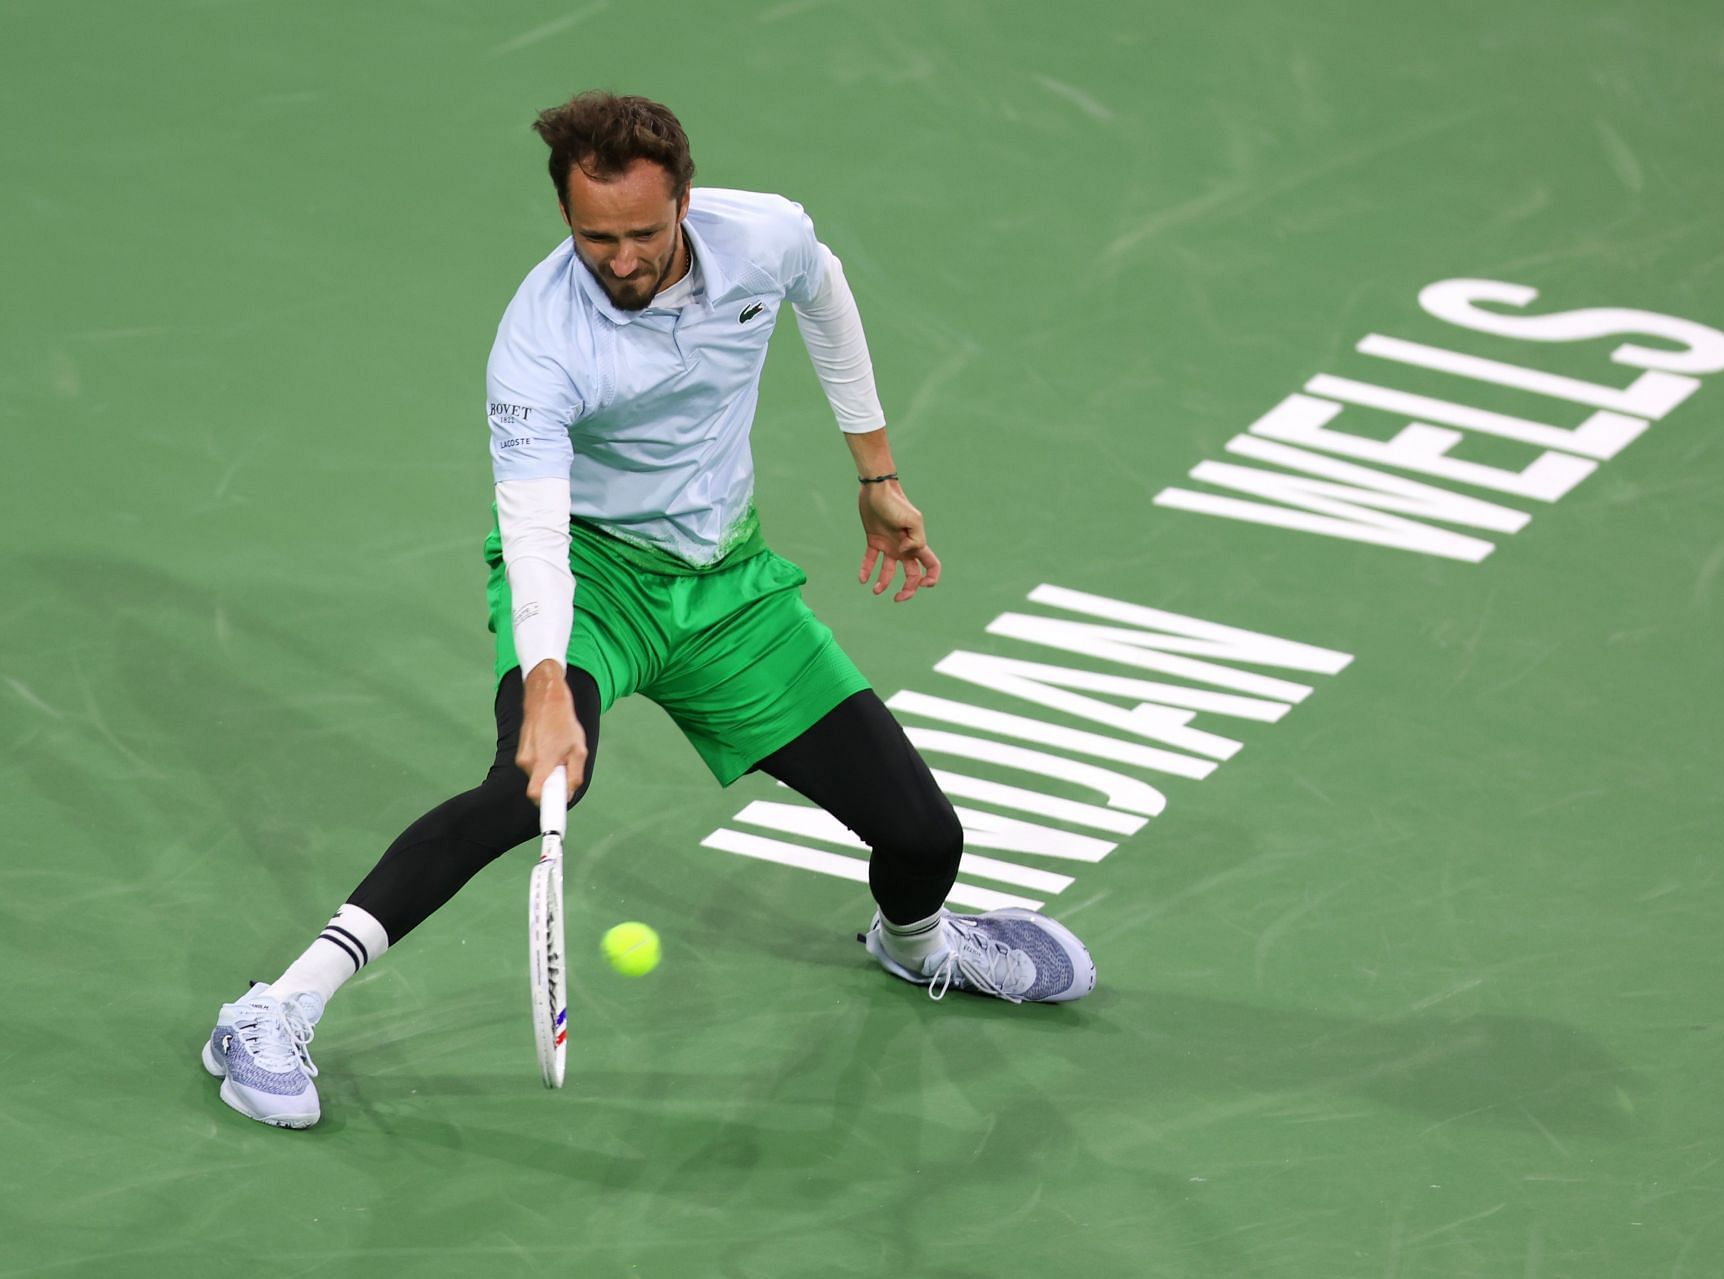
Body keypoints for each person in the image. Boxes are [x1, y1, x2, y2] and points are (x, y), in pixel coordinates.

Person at [200, 92, 1096, 1129]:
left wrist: (875, 471)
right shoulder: (539, 347)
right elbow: (534, 532)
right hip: (596, 583)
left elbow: (826, 289)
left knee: (926, 839)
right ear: (565, 220)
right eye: (593, 238)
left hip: (727, 587)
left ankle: (917, 947)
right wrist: (546, 684)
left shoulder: (763, 236)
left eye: (641, 234)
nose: (619, 260)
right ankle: (274, 1008)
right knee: (529, 789)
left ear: (686, 203)